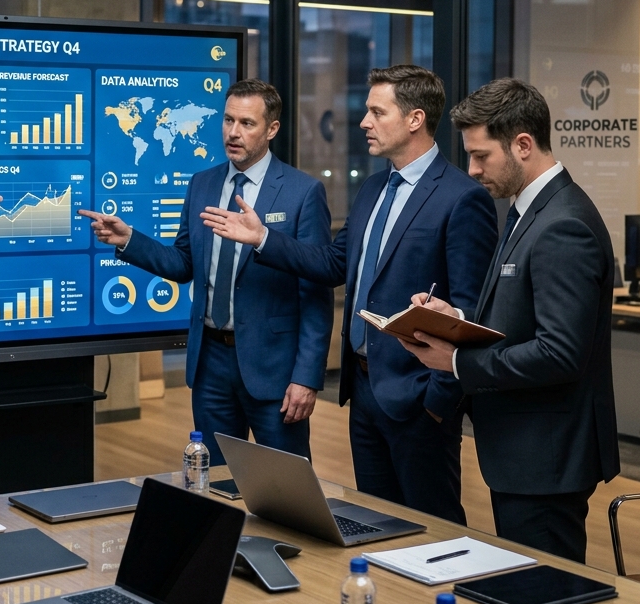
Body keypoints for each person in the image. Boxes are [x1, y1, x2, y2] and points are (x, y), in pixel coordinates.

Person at [201, 66, 497, 524]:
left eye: (377, 112)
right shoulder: (375, 187)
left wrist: (438, 404)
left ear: (415, 119)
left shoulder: (461, 197)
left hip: (418, 399)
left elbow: (470, 311)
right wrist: (263, 239)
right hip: (364, 392)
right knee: (378, 523)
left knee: (433, 526)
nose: (364, 122)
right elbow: (334, 266)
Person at [398, 78, 619, 562]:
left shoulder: (564, 224)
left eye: (482, 156)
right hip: (526, 450)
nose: (472, 170)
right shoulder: (528, 210)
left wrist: (457, 363)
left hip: (546, 456)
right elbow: (518, 313)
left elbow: (560, 353)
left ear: (523, 145)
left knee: (544, 599)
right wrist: (454, 316)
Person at [81, 79, 333, 465]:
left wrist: (307, 376)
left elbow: (315, 290)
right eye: (228, 120)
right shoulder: (203, 184)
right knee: (213, 483)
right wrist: (129, 239)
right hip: (211, 362)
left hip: (275, 370)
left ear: (272, 129)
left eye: (247, 123)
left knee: (285, 486)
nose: (233, 132)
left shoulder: (302, 193)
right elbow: (183, 264)